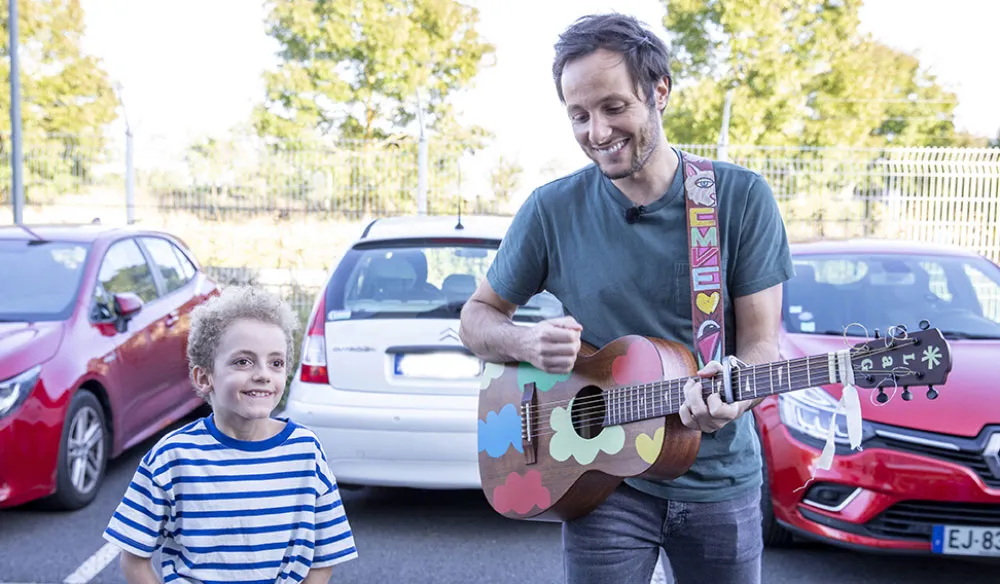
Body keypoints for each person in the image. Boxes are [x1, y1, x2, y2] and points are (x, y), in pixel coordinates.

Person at [458, 12, 794, 584]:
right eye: (579, 115)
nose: (596, 132)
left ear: (659, 91)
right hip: (602, 484)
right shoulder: (551, 210)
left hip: (720, 484)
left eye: (614, 108)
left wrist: (733, 397)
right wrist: (527, 343)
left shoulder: (739, 199)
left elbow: (764, 346)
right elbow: (475, 319)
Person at [103, 286, 358, 583]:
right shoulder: (172, 457)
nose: (263, 374)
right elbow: (133, 560)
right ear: (204, 377)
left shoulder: (306, 452)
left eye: (276, 363)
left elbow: (323, 557)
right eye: (243, 361)